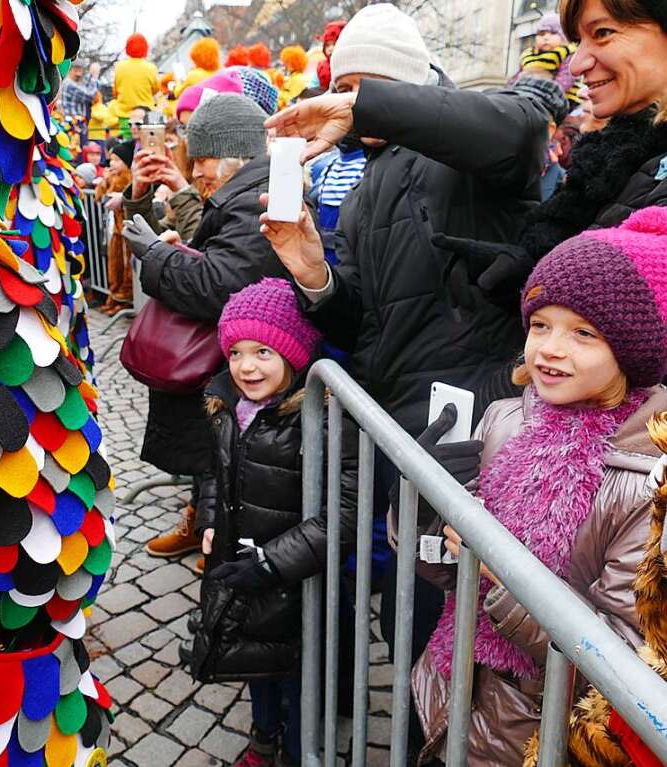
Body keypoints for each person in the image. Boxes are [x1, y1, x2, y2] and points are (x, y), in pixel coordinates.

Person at [259, 1, 550, 667]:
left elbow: (522, 130)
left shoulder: (470, 145)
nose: (344, 106)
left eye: (359, 90)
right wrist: (312, 272)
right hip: (400, 430)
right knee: (410, 614)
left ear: (401, 90)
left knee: (455, 620)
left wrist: (371, 107)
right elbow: (356, 312)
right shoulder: (367, 182)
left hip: (469, 424)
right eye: (341, 87)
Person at [409, 207, 667, 766]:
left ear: (633, 351)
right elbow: (438, 571)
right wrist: (427, 505)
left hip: (538, 735)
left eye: (583, 333)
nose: (549, 348)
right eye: (539, 324)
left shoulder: (648, 483)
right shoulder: (505, 417)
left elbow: (622, 666)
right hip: (453, 686)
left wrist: (502, 576)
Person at [187, 278, 353, 767]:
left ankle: (303, 749)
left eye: (262, 351)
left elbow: (342, 513)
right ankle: (263, 738)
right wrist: (209, 521)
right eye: (236, 352)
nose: (246, 366)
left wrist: (273, 563)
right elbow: (213, 472)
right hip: (243, 565)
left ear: (294, 353)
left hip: (297, 578)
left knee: (300, 670)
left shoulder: (320, 419)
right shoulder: (225, 407)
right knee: (255, 661)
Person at [121, 93, 282, 566]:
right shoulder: (244, 193)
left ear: (232, 153)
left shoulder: (255, 199)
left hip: (245, 363)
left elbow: (221, 283)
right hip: (228, 358)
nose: (196, 174)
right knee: (216, 458)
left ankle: (220, 540)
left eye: (203, 160)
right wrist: (175, 249)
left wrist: (158, 254)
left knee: (229, 461)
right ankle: (208, 526)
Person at [433, 0, 667, 313]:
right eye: (578, 42)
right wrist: (526, 270)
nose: (576, 64)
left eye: (603, 33)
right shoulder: (609, 157)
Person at [95, 142, 134, 314]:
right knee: (114, 264)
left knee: (126, 266)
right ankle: (114, 296)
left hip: (126, 227)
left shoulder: (129, 177)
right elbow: (98, 195)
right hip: (115, 229)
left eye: (117, 160)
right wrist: (105, 179)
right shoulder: (112, 176)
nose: (112, 164)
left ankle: (125, 299)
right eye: (111, 160)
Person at [509, 13, 579, 99]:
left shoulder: (565, 52)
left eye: (553, 33)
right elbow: (517, 75)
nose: (546, 38)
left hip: (557, 97)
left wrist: (551, 93)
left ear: (563, 36)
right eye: (541, 34)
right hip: (526, 93)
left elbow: (566, 78)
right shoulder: (528, 54)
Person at [114, 33, 159, 119]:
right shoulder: (151, 68)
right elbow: (156, 89)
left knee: (126, 133)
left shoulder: (119, 67)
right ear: (145, 48)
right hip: (145, 114)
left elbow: (115, 91)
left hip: (124, 115)